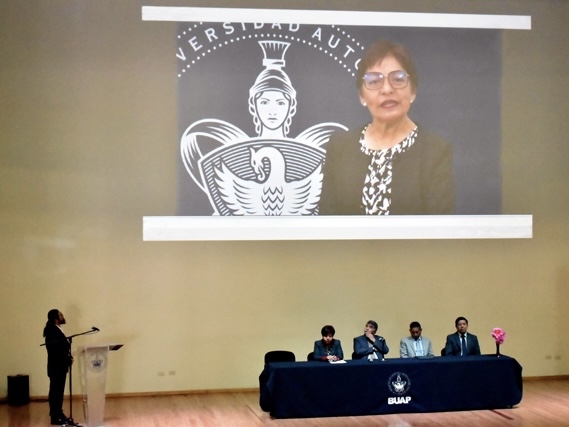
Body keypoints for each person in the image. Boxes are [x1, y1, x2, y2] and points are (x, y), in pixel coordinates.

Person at [319, 40, 455, 215]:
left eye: (398, 79)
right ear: (362, 96)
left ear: (413, 91)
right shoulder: (340, 147)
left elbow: (438, 230)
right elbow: (327, 223)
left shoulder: (435, 151)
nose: (387, 89)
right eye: (374, 81)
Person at [43, 309, 72, 425]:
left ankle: (59, 413)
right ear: (56, 318)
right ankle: (55, 416)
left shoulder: (56, 330)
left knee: (58, 392)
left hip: (59, 366)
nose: (63, 316)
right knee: (56, 392)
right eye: (60, 315)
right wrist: (65, 357)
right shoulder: (52, 330)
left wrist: (67, 357)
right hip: (56, 367)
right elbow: (54, 350)